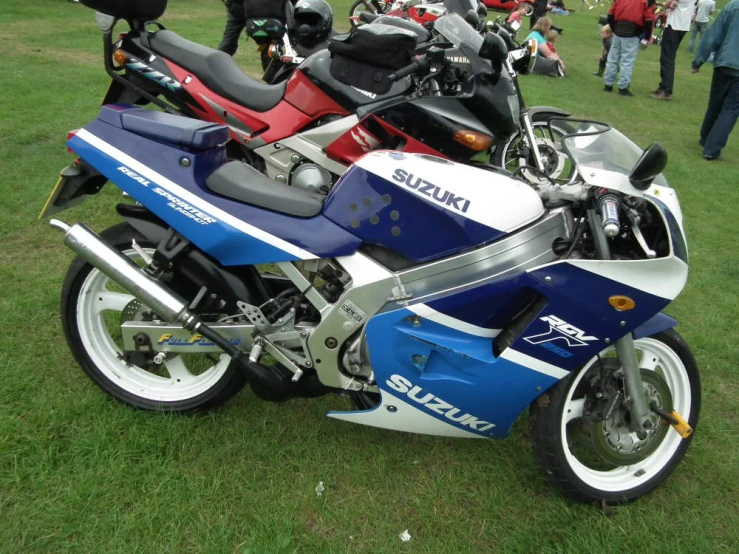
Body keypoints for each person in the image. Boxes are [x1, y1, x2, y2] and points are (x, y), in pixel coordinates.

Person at [691, 0, 739, 160]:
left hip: (724, 62)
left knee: (715, 104)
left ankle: (706, 138)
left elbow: (713, 35)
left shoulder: (733, 6)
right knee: (730, 110)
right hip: (728, 63)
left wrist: (699, 60)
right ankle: (711, 148)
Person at [603, 0, 654, 96]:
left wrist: (615, 29)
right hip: (633, 33)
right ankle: (623, 87)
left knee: (612, 59)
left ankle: (608, 85)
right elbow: (649, 20)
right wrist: (647, 37)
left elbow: (610, 15)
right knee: (627, 62)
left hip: (618, 31)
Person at [650, 0, 693, 100]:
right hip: (683, 25)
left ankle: (666, 90)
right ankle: (663, 86)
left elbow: (667, 4)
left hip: (674, 25)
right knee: (668, 57)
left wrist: (667, 3)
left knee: (667, 59)